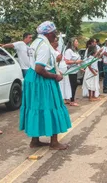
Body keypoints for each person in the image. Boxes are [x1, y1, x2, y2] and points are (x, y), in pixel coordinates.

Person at [20, 21, 71, 150]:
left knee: (36, 107)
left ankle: (35, 140)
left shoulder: (35, 42)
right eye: (54, 32)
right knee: (52, 106)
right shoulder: (44, 46)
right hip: (42, 80)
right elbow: (39, 68)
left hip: (32, 79)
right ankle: (54, 142)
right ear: (48, 33)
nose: (55, 35)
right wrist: (56, 76)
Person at [51, 37, 72, 104]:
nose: (57, 43)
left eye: (57, 41)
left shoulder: (58, 50)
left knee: (66, 83)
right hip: (59, 69)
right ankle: (62, 98)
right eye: (55, 41)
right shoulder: (52, 51)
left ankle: (67, 97)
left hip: (64, 68)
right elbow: (54, 63)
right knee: (61, 84)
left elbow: (64, 59)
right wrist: (58, 71)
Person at [64, 38, 83, 106]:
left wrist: (80, 68)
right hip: (70, 71)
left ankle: (70, 99)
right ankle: (72, 101)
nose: (78, 43)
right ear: (72, 43)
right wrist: (76, 62)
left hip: (75, 71)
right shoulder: (68, 51)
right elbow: (66, 61)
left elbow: (78, 61)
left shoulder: (75, 51)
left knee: (74, 85)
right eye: (76, 41)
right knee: (72, 86)